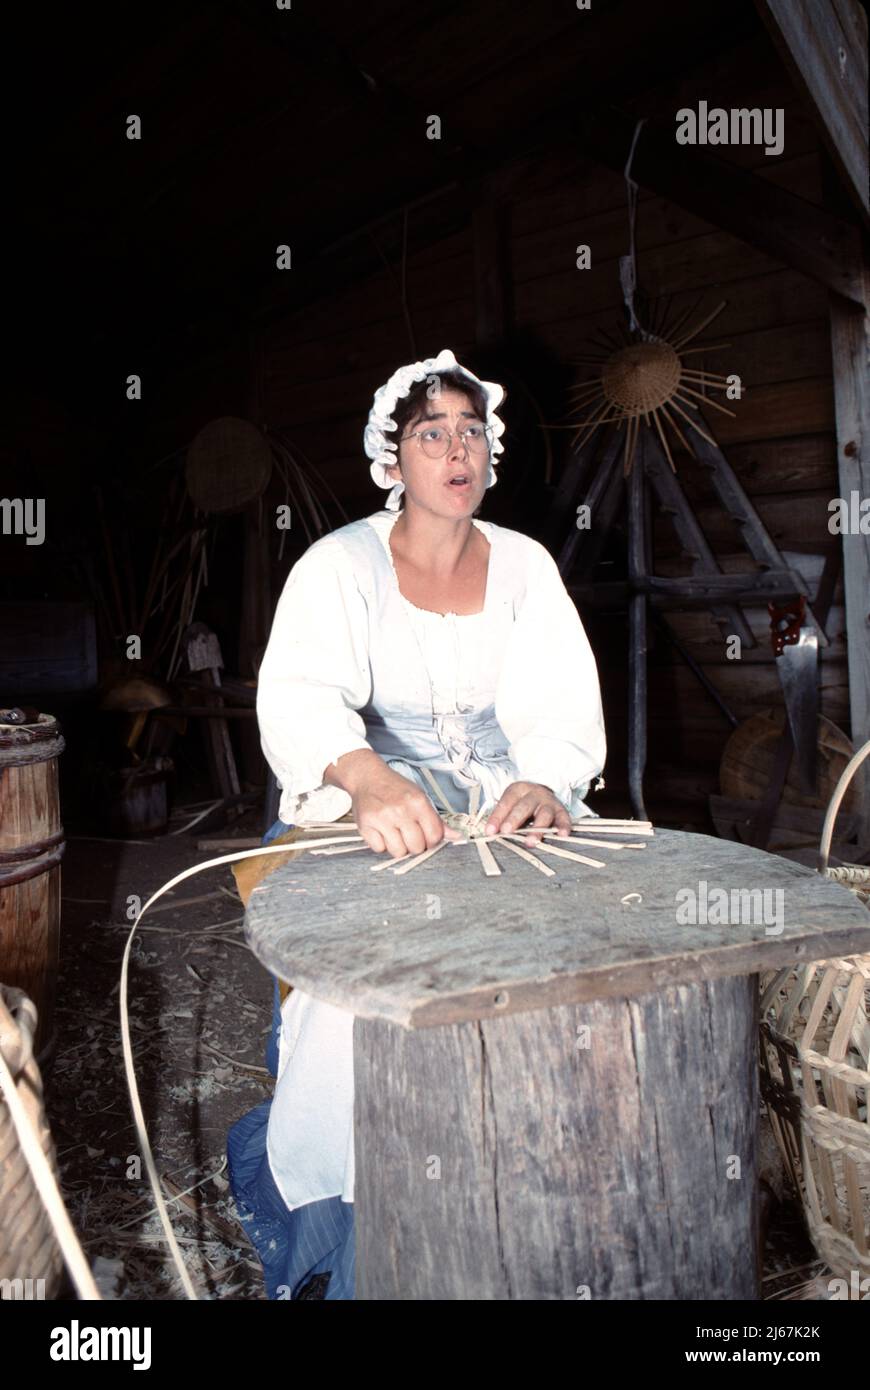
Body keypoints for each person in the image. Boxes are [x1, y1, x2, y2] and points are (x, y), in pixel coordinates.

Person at [227, 347, 606, 1300]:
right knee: (355, 989)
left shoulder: (524, 566)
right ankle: (349, 1217)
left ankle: (542, 1194)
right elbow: (301, 697)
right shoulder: (341, 565)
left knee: (583, 951)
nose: (456, 452)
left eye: (471, 432)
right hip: (364, 803)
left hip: (497, 803)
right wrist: (366, 780)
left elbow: (562, 708)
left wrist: (549, 782)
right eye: (431, 434)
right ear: (391, 460)